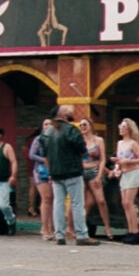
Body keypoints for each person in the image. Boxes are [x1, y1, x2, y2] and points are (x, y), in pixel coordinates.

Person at [42, 105, 99, 246]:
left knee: (58, 204)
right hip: (72, 171)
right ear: (63, 115)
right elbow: (82, 149)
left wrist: (50, 171)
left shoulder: (47, 132)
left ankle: (59, 235)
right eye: (67, 109)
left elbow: (45, 155)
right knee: (77, 204)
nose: (71, 110)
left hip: (55, 172)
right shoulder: (71, 130)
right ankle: (82, 235)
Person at [110, 118, 139, 244]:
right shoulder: (120, 143)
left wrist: (128, 161)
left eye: (123, 126)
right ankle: (130, 230)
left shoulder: (133, 143)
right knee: (124, 203)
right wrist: (117, 165)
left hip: (133, 173)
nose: (121, 128)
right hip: (124, 174)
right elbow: (121, 159)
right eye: (120, 125)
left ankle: (135, 231)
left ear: (129, 129)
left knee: (129, 202)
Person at [79, 118, 113, 240]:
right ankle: (81, 229)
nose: (83, 127)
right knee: (86, 203)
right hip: (82, 171)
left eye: (85, 124)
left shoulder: (99, 140)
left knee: (101, 200)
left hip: (94, 170)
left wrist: (99, 175)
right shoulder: (79, 140)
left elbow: (103, 159)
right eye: (81, 125)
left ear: (91, 125)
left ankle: (107, 228)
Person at [28, 118, 54, 240]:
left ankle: (52, 227)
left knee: (54, 199)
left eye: (50, 124)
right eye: (45, 124)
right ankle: (45, 228)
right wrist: (43, 160)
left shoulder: (56, 138)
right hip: (41, 171)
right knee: (46, 198)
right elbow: (31, 154)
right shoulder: (38, 139)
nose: (48, 125)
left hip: (54, 171)